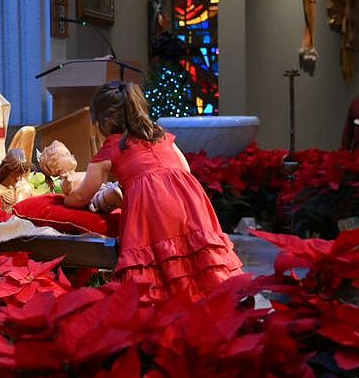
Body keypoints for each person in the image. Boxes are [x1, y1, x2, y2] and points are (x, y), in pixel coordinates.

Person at [64, 81, 243, 301]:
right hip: (190, 201)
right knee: (195, 257)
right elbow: (184, 168)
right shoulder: (160, 135)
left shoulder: (110, 147)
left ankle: (170, 311)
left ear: (104, 121)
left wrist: (66, 195)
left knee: (158, 265)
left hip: (153, 208)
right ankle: (213, 304)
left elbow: (82, 196)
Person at [39, 140, 122, 213]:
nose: (72, 155)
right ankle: (122, 201)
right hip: (94, 200)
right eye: (66, 155)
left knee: (122, 184)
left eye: (70, 153)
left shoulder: (78, 173)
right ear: (57, 166)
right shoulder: (66, 179)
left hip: (106, 187)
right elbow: (66, 190)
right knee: (113, 193)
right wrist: (67, 181)